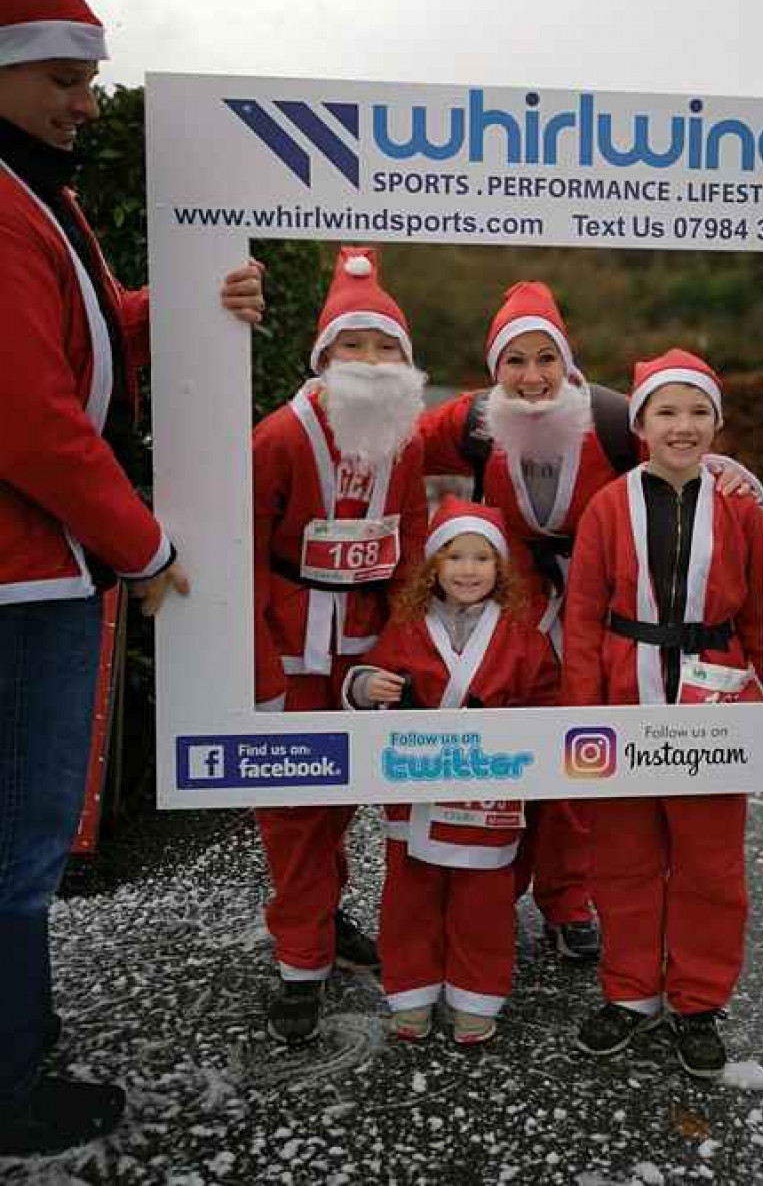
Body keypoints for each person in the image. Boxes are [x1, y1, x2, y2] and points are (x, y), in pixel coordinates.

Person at [0, 0, 264, 1157]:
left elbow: (90, 334)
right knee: (17, 842)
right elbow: (34, 423)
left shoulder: (35, 198)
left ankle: (23, 1041)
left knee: (23, 838)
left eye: (91, 82)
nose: (85, 106)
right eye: (65, 79)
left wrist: (197, 305)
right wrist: (145, 545)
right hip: (19, 581)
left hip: (39, 579)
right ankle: (8, 1093)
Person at [419, 281, 763, 963]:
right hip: (512, 610)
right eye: (514, 362)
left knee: (583, 752)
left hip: (600, 613)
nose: (532, 377)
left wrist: (731, 474)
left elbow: (677, 461)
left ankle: (568, 897)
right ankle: (489, 891)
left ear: (568, 362)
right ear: (494, 372)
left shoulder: (608, 419)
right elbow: (390, 441)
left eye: (545, 358)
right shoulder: (471, 422)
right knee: (510, 752)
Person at [562, 348, 763, 1079]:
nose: (683, 427)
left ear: (718, 420)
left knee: (711, 864)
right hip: (625, 698)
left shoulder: (743, 504)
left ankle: (699, 1002)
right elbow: (583, 616)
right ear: (641, 423)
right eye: (666, 412)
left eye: (698, 411)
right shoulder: (607, 504)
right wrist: (579, 717)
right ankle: (630, 991)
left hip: (716, 702)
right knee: (621, 859)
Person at [252, 244, 428, 1046]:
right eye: (353, 344)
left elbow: (414, 548)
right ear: (323, 356)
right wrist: (254, 664)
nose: (370, 360)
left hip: (364, 652)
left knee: (342, 800)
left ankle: (318, 916)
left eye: (386, 346)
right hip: (292, 646)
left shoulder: (408, 439)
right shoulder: (278, 439)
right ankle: (299, 962)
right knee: (293, 810)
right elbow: (241, 551)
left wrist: (398, 648)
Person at [345, 497, 560, 1044]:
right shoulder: (407, 628)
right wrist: (367, 686)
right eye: (455, 557)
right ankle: (412, 993)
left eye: (482, 559)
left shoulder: (523, 636)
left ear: (501, 568)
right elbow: (369, 676)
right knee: (409, 902)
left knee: (482, 907)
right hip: (414, 795)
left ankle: (476, 996)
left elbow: (548, 703)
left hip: (489, 797)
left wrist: (522, 738)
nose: (468, 570)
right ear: (434, 566)